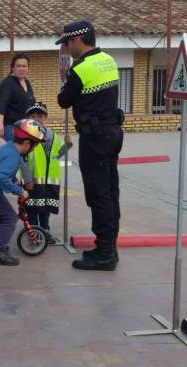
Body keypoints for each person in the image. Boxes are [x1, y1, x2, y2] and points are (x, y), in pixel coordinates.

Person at [57, 20, 124, 271]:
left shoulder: (80, 69)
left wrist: (66, 81)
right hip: (113, 132)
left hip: (94, 137)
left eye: (66, 42)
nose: (65, 48)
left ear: (78, 40)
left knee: (98, 194)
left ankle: (104, 254)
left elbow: (64, 101)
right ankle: (109, 247)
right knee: (110, 191)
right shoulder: (109, 60)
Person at [0, 119, 45, 266]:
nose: (33, 149)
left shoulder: (7, 148)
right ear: (27, 144)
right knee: (10, 218)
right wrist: (19, 191)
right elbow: (2, 177)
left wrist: (17, 184)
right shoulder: (13, 155)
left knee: (3, 213)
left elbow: (7, 174)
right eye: (34, 146)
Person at [21, 102, 72, 243]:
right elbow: (22, 159)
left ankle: (45, 232)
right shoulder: (25, 136)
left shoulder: (53, 136)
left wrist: (68, 145)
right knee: (31, 209)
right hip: (32, 182)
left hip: (50, 182)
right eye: (33, 116)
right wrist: (27, 179)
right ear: (28, 118)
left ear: (45, 117)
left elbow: (58, 155)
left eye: (40, 115)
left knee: (45, 209)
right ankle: (33, 234)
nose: (37, 118)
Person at [0, 53, 36, 142]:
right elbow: (2, 105)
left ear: (28, 68)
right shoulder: (7, 84)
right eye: (18, 66)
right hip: (10, 126)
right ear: (13, 68)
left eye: (24, 66)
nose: (21, 69)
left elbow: (31, 104)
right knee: (21, 147)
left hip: (25, 125)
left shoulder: (26, 82)